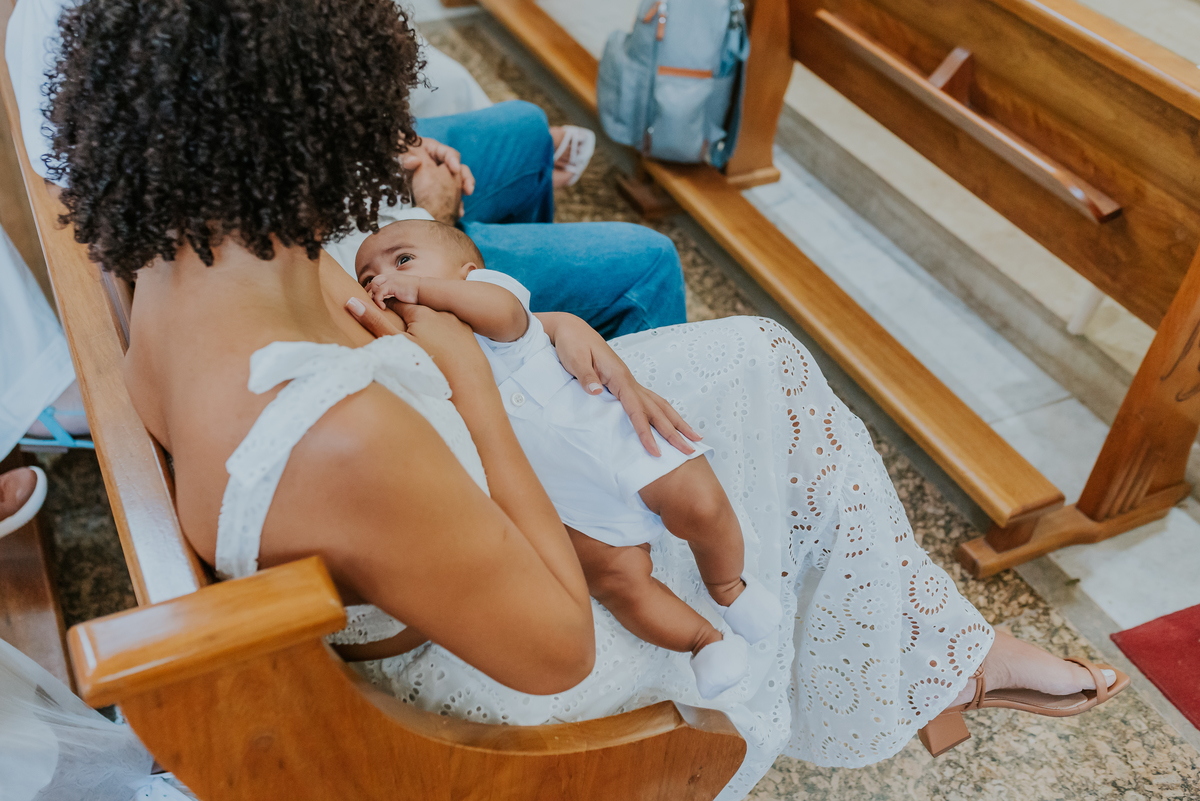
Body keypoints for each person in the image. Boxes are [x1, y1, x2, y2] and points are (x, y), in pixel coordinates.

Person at [38, 0, 1128, 798]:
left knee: (756, 361)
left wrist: (533, 330)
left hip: (435, 492)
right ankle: (943, 665)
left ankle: (940, 656)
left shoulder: (178, 251)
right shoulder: (330, 432)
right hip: (477, 664)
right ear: (312, 125)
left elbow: (367, 332)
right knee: (742, 456)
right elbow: (557, 641)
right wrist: (471, 381)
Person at [7, 0, 679, 341]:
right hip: (350, 244)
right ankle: (509, 333)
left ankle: (512, 314)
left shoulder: (93, 38)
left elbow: (258, 104)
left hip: (305, 184)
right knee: (647, 264)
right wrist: (430, 219)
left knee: (525, 132)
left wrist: (385, 141)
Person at [357, 218, 784, 699]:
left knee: (702, 505)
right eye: (367, 276)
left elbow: (500, 311)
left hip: (615, 439)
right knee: (618, 581)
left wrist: (418, 288)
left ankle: (729, 587)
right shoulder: (417, 344)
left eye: (402, 259)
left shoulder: (492, 303)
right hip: (565, 505)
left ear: (468, 272)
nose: (381, 279)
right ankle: (702, 642)